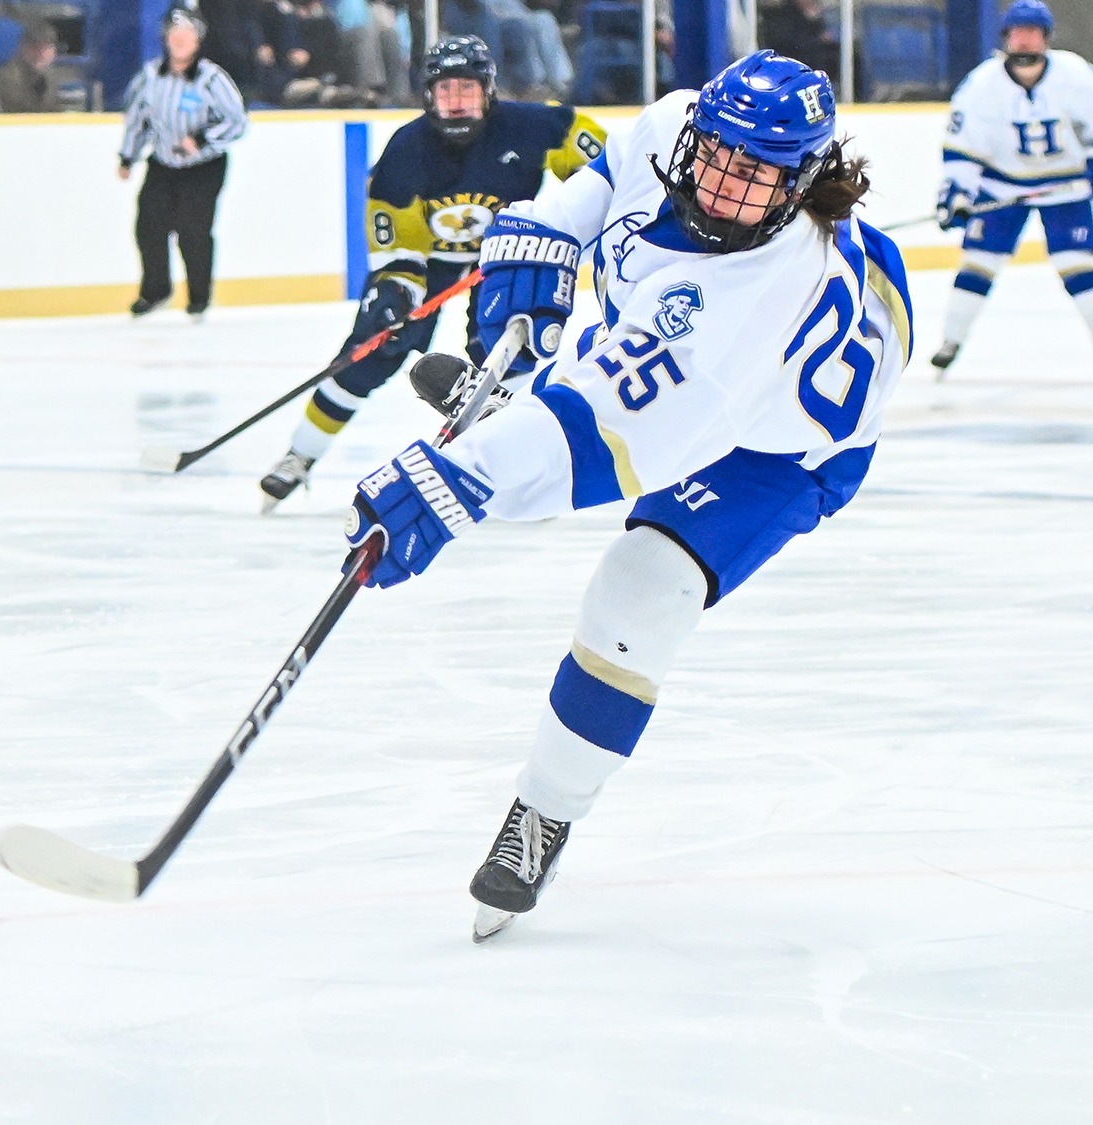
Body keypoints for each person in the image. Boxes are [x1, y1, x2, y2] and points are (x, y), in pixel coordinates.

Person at [342, 51, 907, 940]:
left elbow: (595, 443)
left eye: (757, 175)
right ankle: (523, 399)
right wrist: (540, 238)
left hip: (785, 447)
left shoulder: (746, 309)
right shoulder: (672, 122)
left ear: (798, 185)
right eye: (718, 155)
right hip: (686, 364)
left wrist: (458, 481)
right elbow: (596, 186)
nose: (725, 186)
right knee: (604, 343)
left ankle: (546, 811)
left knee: (642, 585)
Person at [258, 36, 604, 509]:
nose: (456, 102)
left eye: (467, 89)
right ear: (427, 96)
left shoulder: (540, 125)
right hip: (434, 261)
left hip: (506, 252)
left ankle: (520, 469)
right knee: (372, 349)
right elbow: (397, 245)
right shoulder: (405, 151)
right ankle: (299, 456)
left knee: (503, 355)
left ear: (488, 90)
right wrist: (394, 292)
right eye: (445, 91)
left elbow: (607, 174)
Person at [930, 0, 1093, 374]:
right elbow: (962, 149)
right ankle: (951, 340)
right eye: (1018, 33)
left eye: (1032, 33)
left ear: (1046, 39)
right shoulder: (981, 84)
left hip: (1065, 188)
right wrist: (955, 195)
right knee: (978, 262)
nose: (1024, 41)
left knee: (1079, 266)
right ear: (1005, 37)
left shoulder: (1076, 74)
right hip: (1001, 187)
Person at [119, 8, 249, 321]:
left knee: (193, 230)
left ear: (198, 40)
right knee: (148, 226)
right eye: (174, 34)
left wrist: (202, 139)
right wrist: (128, 156)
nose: (180, 40)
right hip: (163, 163)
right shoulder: (150, 76)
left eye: (187, 34)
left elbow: (237, 121)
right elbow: (138, 119)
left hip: (204, 167)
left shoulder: (212, 78)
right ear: (165, 38)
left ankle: (199, 297)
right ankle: (155, 290)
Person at [0, 19, 64, 113]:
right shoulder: (7, 77)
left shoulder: (52, 75)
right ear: (22, 48)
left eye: (46, 48)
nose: (41, 53)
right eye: (35, 47)